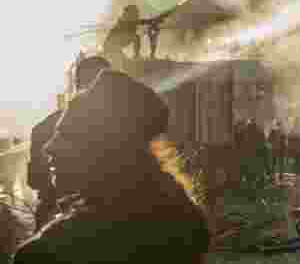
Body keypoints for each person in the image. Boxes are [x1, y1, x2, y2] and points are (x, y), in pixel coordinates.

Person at [13, 69, 210, 263]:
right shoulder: (182, 219)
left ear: (103, 151)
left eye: (65, 136)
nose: (49, 147)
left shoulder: (46, 254)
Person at [26, 56, 110, 233]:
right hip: (104, 214)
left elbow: (34, 180)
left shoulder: (42, 128)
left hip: (55, 216)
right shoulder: (120, 126)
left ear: (77, 84)